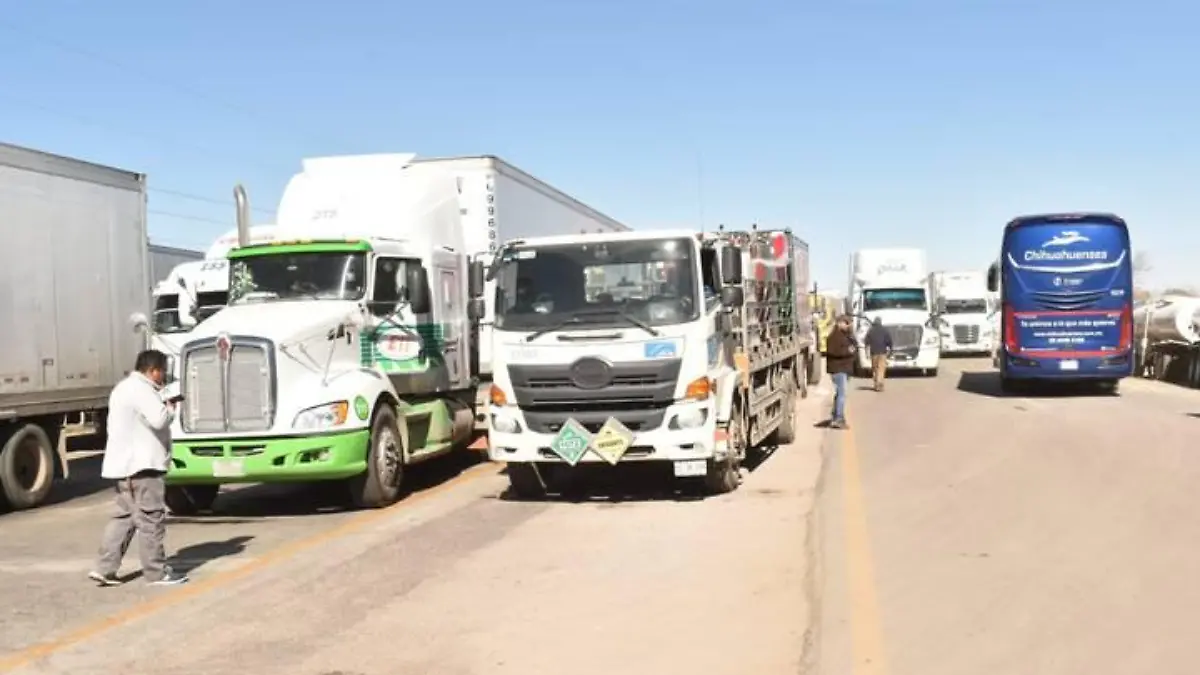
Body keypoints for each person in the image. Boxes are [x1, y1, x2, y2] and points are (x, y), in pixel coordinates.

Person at [88, 349, 189, 587]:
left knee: (124, 518)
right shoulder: (143, 390)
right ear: (154, 370)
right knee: (151, 518)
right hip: (143, 466)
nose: (163, 376)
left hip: (123, 466)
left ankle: (105, 568)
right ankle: (156, 572)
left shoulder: (122, 388)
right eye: (162, 371)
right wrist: (171, 405)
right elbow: (159, 420)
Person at [825, 314, 858, 429]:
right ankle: (839, 418)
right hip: (838, 369)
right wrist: (849, 351)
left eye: (849, 323)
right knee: (842, 395)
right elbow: (833, 352)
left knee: (840, 394)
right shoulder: (834, 336)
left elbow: (854, 345)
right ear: (840, 323)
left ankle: (835, 416)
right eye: (847, 323)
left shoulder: (846, 335)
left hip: (844, 369)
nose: (849, 325)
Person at [864, 317, 894, 392]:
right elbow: (889, 341)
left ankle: (876, 384)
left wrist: (866, 353)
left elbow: (866, 342)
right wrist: (890, 349)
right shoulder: (885, 330)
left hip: (873, 353)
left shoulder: (870, 330)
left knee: (875, 369)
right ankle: (880, 384)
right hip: (882, 352)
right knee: (881, 369)